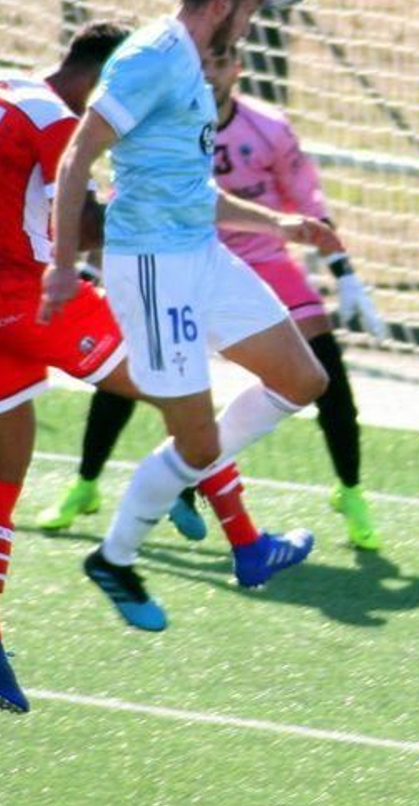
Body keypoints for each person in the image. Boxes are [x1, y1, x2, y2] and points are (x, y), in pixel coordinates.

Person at [40, 0, 339, 634]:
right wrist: (62, 265)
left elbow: (189, 187)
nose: (252, 30)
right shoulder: (151, 56)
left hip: (199, 254)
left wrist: (280, 223)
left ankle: (193, 474)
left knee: (302, 377)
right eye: (252, 14)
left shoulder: (193, 67)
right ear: (223, 4)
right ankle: (116, 556)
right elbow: (77, 154)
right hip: (152, 268)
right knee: (197, 443)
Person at [39, 45, 387, 550]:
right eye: (205, 61)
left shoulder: (267, 126)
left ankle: (349, 491)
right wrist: (83, 265)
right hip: (180, 256)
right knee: (132, 371)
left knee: (320, 368)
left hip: (261, 259)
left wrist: (344, 273)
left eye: (222, 62)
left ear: (238, 68)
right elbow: (134, 195)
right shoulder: (168, 117)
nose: (211, 71)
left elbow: (307, 197)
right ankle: (88, 485)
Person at [0, 21, 142, 712]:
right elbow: (83, 227)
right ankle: (220, 512)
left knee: (1, 476)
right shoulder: (62, 127)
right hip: (29, 296)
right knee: (166, 375)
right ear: (102, 80)